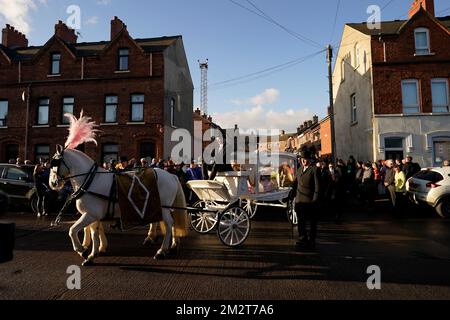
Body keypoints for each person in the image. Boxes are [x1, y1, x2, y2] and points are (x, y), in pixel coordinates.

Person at [292, 149, 321, 250]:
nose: (304, 161)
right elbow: (295, 184)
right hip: (300, 201)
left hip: (310, 201)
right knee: (301, 222)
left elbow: (317, 187)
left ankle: (311, 241)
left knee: (312, 223)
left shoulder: (314, 169)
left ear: (309, 159)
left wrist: (315, 200)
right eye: (302, 159)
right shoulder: (299, 169)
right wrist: (292, 195)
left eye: (305, 159)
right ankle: (302, 239)